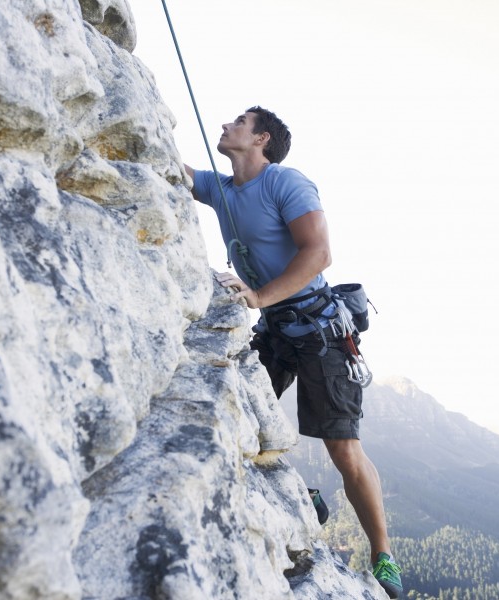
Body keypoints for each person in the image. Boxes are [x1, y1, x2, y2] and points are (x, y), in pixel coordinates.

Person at [184, 106, 403, 599]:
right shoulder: (222, 189)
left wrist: (259, 296)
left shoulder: (286, 182)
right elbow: (175, 169)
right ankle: (301, 497)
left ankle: (383, 556)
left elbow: (318, 253)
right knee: (238, 412)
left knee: (343, 448)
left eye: (238, 121)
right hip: (279, 328)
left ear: (261, 138)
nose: (224, 125)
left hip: (319, 328)